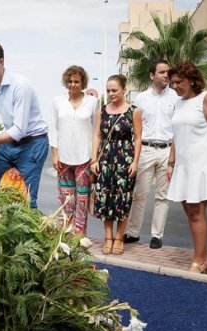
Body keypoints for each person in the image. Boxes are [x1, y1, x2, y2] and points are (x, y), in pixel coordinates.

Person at [166, 61, 207, 274]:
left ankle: (198, 261)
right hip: (183, 166)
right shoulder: (178, 104)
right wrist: (171, 163)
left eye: (179, 82)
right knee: (190, 212)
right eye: (172, 83)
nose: (175, 86)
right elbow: (176, 136)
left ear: (192, 80)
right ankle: (204, 258)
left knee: (196, 213)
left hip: (202, 165)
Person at [0, 40, 49, 209]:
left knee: (25, 200)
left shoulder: (20, 86)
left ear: (1, 62)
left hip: (33, 143)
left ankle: (28, 234)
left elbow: (19, 130)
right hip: (9, 144)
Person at [124, 59, 180, 249]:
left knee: (163, 196)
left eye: (167, 72)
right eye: (162, 72)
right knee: (139, 194)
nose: (166, 75)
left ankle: (157, 235)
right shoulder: (141, 99)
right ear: (152, 75)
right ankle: (133, 233)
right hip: (146, 150)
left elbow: (179, 126)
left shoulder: (175, 97)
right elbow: (135, 129)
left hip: (167, 150)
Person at [90, 75, 142, 255]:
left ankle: (119, 238)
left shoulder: (133, 111)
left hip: (125, 159)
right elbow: (97, 135)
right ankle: (108, 237)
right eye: (108, 91)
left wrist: (135, 161)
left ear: (124, 90)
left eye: (114, 90)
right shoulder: (102, 111)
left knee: (123, 198)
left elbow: (138, 138)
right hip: (105, 159)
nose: (111, 94)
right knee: (105, 198)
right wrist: (94, 160)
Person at [48, 65, 99, 234]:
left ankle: (79, 236)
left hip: (84, 158)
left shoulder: (92, 102)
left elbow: (96, 132)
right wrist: (54, 154)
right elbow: (53, 129)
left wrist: (94, 158)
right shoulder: (58, 101)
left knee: (82, 200)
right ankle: (65, 236)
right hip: (63, 157)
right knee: (66, 199)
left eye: (77, 81)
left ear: (83, 82)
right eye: (70, 81)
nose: (73, 84)